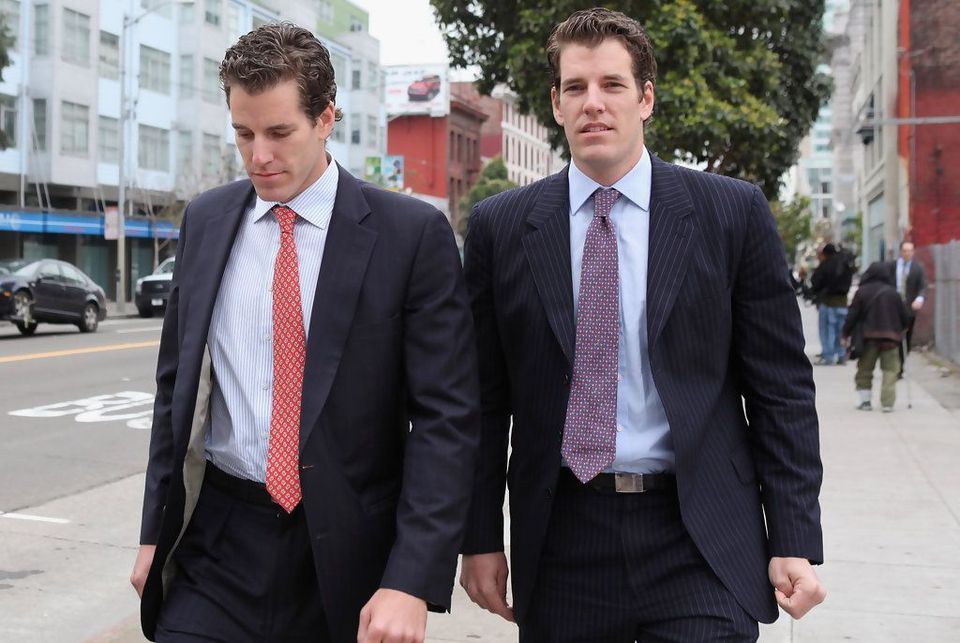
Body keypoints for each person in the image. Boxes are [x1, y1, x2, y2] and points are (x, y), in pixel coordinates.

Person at [459, 8, 825, 641]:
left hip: (699, 534)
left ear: (646, 97)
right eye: (575, 88)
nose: (593, 104)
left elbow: (780, 390)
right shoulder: (501, 227)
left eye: (612, 85)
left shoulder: (729, 213)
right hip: (564, 536)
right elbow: (483, 403)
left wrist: (794, 537)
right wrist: (479, 537)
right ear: (555, 103)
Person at [129, 23, 480, 643]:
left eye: (278, 133)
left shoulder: (410, 236)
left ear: (326, 118)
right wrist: (154, 530)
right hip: (219, 540)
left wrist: (411, 577)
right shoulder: (208, 221)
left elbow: (445, 419)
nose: (258, 155)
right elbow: (174, 390)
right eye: (243, 133)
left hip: (350, 557)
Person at [841, 262, 909, 412]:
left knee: (865, 370)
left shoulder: (862, 292)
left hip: (868, 339)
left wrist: (845, 333)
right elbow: (905, 317)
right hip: (891, 340)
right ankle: (887, 403)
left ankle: (865, 401)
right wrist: (901, 330)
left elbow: (852, 315)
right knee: (890, 371)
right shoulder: (894, 293)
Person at [808, 243, 853, 365]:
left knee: (827, 330)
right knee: (841, 330)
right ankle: (842, 355)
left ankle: (828, 356)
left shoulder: (825, 265)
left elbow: (815, 282)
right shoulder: (845, 264)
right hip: (842, 302)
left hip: (827, 302)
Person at [895, 241, 928, 373]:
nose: (907, 253)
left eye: (910, 250)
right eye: (905, 250)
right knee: (895, 336)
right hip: (894, 307)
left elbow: (923, 286)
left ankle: (901, 364)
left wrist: (919, 299)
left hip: (909, 308)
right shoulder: (893, 266)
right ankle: (894, 365)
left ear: (913, 252)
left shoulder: (917, 268)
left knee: (906, 337)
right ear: (900, 252)